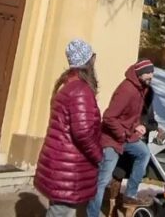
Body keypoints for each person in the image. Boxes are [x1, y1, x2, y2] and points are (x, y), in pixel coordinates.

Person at [34, 39, 102, 217]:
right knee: (61, 213)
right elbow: (83, 133)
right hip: (69, 168)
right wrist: (98, 156)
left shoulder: (68, 85)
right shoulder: (80, 90)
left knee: (59, 210)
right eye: (93, 58)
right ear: (88, 62)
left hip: (61, 163)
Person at [87, 59, 158, 217]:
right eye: (148, 73)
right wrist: (123, 133)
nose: (151, 77)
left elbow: (129, 116)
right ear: (139, 74)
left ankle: (130, 195)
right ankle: (92, 214)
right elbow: (109, 117)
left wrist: (137, 126)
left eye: (152, 73)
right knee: (102, 181)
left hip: (126, 136)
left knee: (144, 153)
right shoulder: (127, 90)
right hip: (111, 139)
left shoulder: (142, 89)